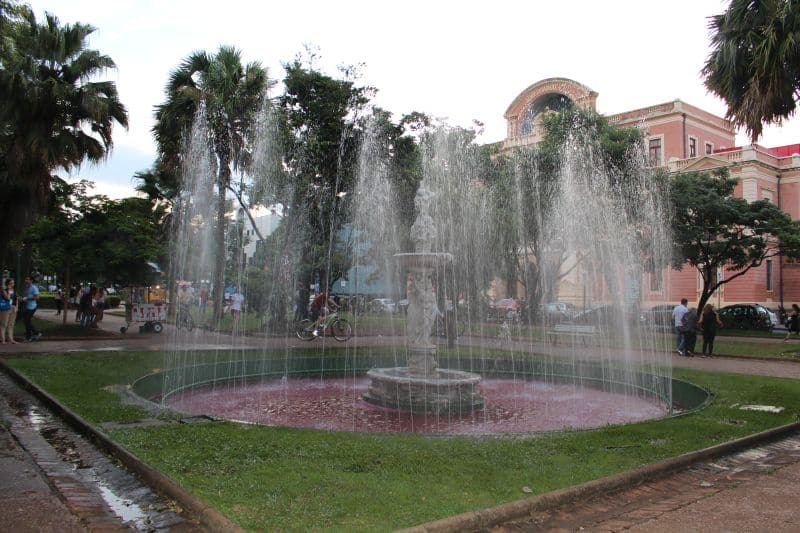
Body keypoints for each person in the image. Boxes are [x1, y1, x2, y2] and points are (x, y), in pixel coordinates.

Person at [20, 276, 42, 341]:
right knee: (26, 321)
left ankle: (35, 333)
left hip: (32, 307)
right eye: (25, 279)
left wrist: (27, 298)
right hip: (26, 306)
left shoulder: (34, 287)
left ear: (31, 280)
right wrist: (22, 298)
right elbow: (25, 296)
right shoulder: (27, 287)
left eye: (27, 279)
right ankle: (30, 336)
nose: (26, 280)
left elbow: (37, 297)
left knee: (27, 321)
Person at [0, 278, 18, 344]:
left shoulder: (14, 290)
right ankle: (3, 339)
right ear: (7, 284)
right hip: (5, 308)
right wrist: (9, 291)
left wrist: (16, 307)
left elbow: (16, 299)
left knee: (11, 324)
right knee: (4, 324)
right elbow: (7, 298)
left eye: (13, 283)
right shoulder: (4, 290)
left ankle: (10, 339)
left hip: (12, 307)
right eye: (11, 283)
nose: (12, 284)